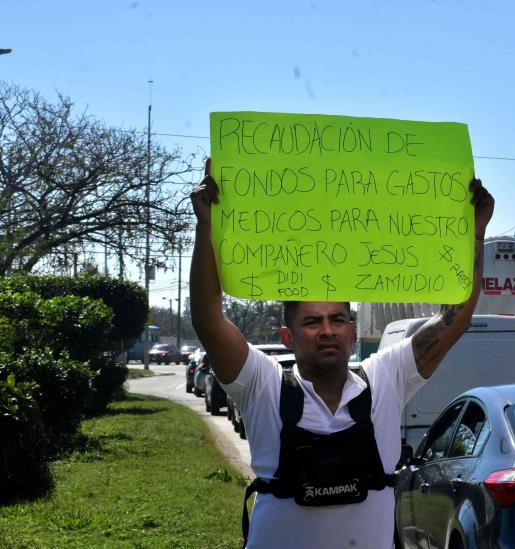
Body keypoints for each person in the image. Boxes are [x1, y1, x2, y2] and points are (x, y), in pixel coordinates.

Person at [189, 158, 494, 549]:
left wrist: (476, 234)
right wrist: (206, 226)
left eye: (337, 319)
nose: (328, 330)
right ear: (287, 336)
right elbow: (208, 319)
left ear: (352, 330)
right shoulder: (261, 385)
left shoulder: (385, 377)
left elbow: (453, 320)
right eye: (312, 322)